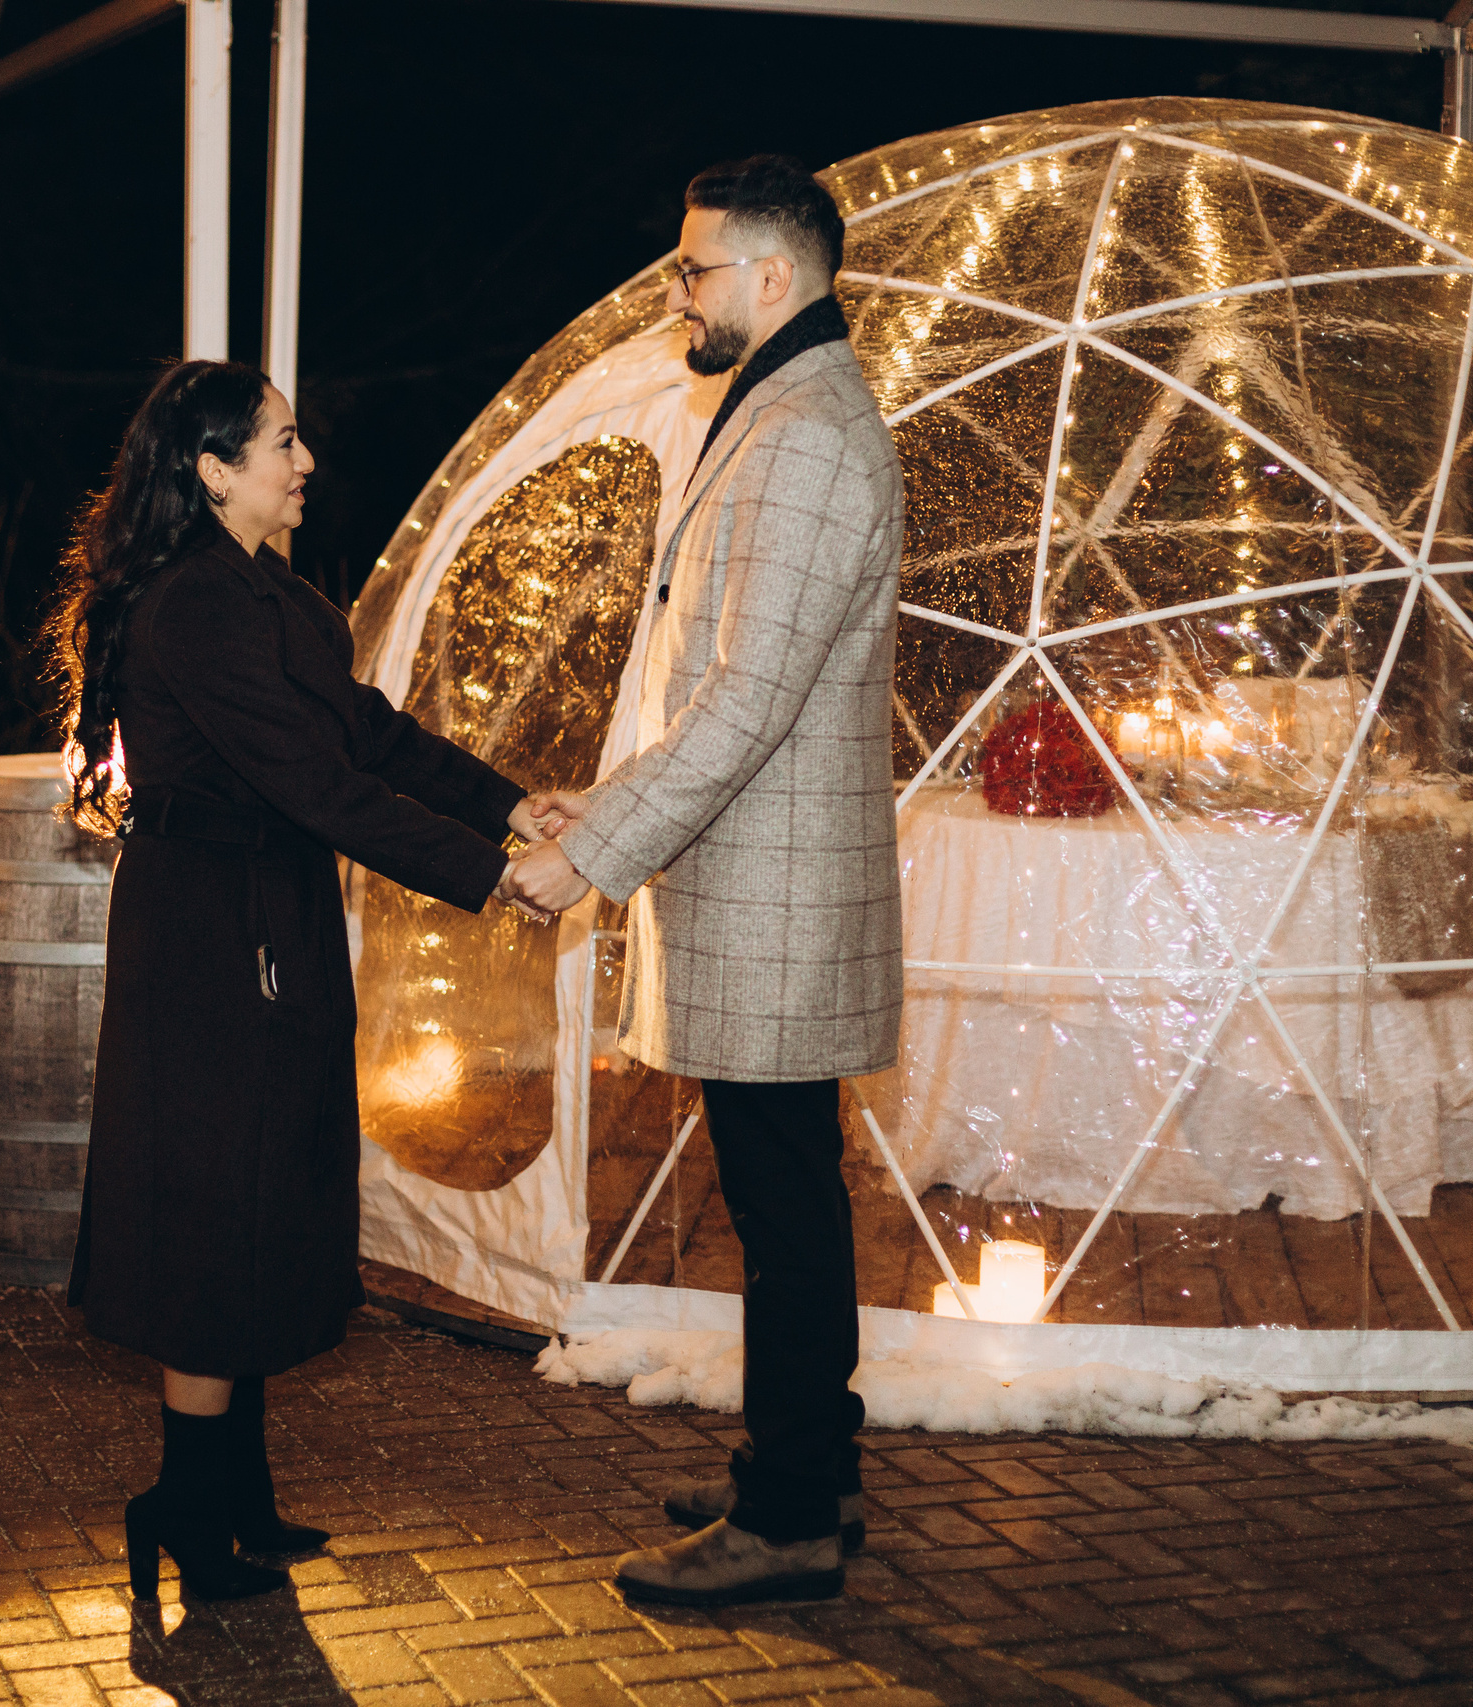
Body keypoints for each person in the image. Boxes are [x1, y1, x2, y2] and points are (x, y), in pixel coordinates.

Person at [47, 360, 566, 1603]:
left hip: (260, 919)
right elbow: (317, 787)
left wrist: (504, 804)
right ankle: (184, 1503)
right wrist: (489, 877)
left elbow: (364, 733)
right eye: (282, 443)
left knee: (267, 1193)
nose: (306, 463)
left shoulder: (256, 590)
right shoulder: (196, 609)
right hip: (207, 938)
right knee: (214, 1213)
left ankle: (238, 1499)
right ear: (215, 471)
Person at [506, 154, 904, 1607]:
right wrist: (601, 799)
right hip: (755, 886)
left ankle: (792, 1511)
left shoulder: (804, 433)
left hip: (774, 902)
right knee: (784, 1194)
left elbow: (746, 700)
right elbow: (726, 694)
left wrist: (586, 862)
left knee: (786, 1205)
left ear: (776, 278)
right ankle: (806, 1465)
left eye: (694, 268)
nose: (675, 289)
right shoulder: (780, 409)